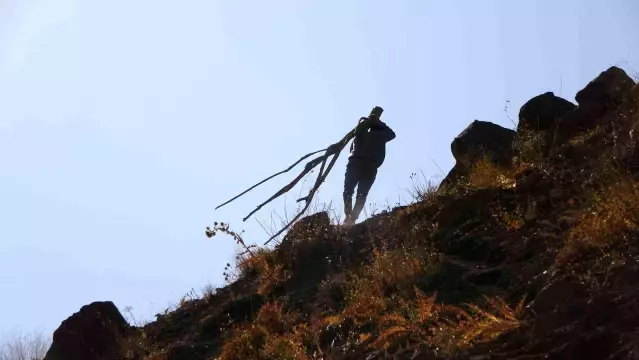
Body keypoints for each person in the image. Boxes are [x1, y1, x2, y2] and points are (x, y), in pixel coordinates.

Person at [343, 106, 396, 226]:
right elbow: (391, 134)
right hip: (361, 164)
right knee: (353, 192)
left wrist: (376, 122)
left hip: (364, 165)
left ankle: (351, 218)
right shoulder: (366, 131)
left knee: (356, 193)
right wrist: (375, 122)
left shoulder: (375, 133)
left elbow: (392, 135)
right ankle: (349, 217)